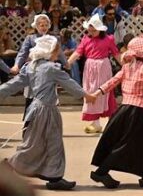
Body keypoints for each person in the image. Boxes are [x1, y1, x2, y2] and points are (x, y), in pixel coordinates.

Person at [0, 35, 96, 190]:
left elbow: (14, 84)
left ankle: (54, 176)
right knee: (46, 143)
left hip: (36, 110)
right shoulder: (52, 68)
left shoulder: (31, 66)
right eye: (56, 50)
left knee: (43, 143)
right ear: (49, 50)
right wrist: (87, 96)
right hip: (47, 111)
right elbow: (70, 83)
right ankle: (9, 166)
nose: (58, 53)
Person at [89, 37, 143, 189]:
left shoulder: (127, 67)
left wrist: (97, 93)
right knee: (131, 144)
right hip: (139, 111)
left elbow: (113, 81)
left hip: (124, 109)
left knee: (140, 143)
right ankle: (102, 171)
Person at [67, 14, 122, 133]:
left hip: (103, 67)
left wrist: (125, 64)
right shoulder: (86, 39)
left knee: (104, 91)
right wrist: (68, 63)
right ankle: (96, 123)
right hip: (90, 68)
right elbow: (78, 52)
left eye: (94, 29)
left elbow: (116, 54)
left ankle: (111, 122)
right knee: (91, 92)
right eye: (90, 29)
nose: (91, 31)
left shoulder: (108, 39)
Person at [10, 14, 67, 118]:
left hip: (48, 70)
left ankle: (49, 122)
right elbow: (22, 53)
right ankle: (28, 121)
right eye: (41, 25)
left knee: (49, 96)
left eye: (46, 25)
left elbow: (59, 52)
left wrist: (65, 62)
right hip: (34, 69)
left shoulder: (53, 38)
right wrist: (16, 65)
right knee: (32, 96)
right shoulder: (30, 38)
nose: (44, 27)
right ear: (36, 26)